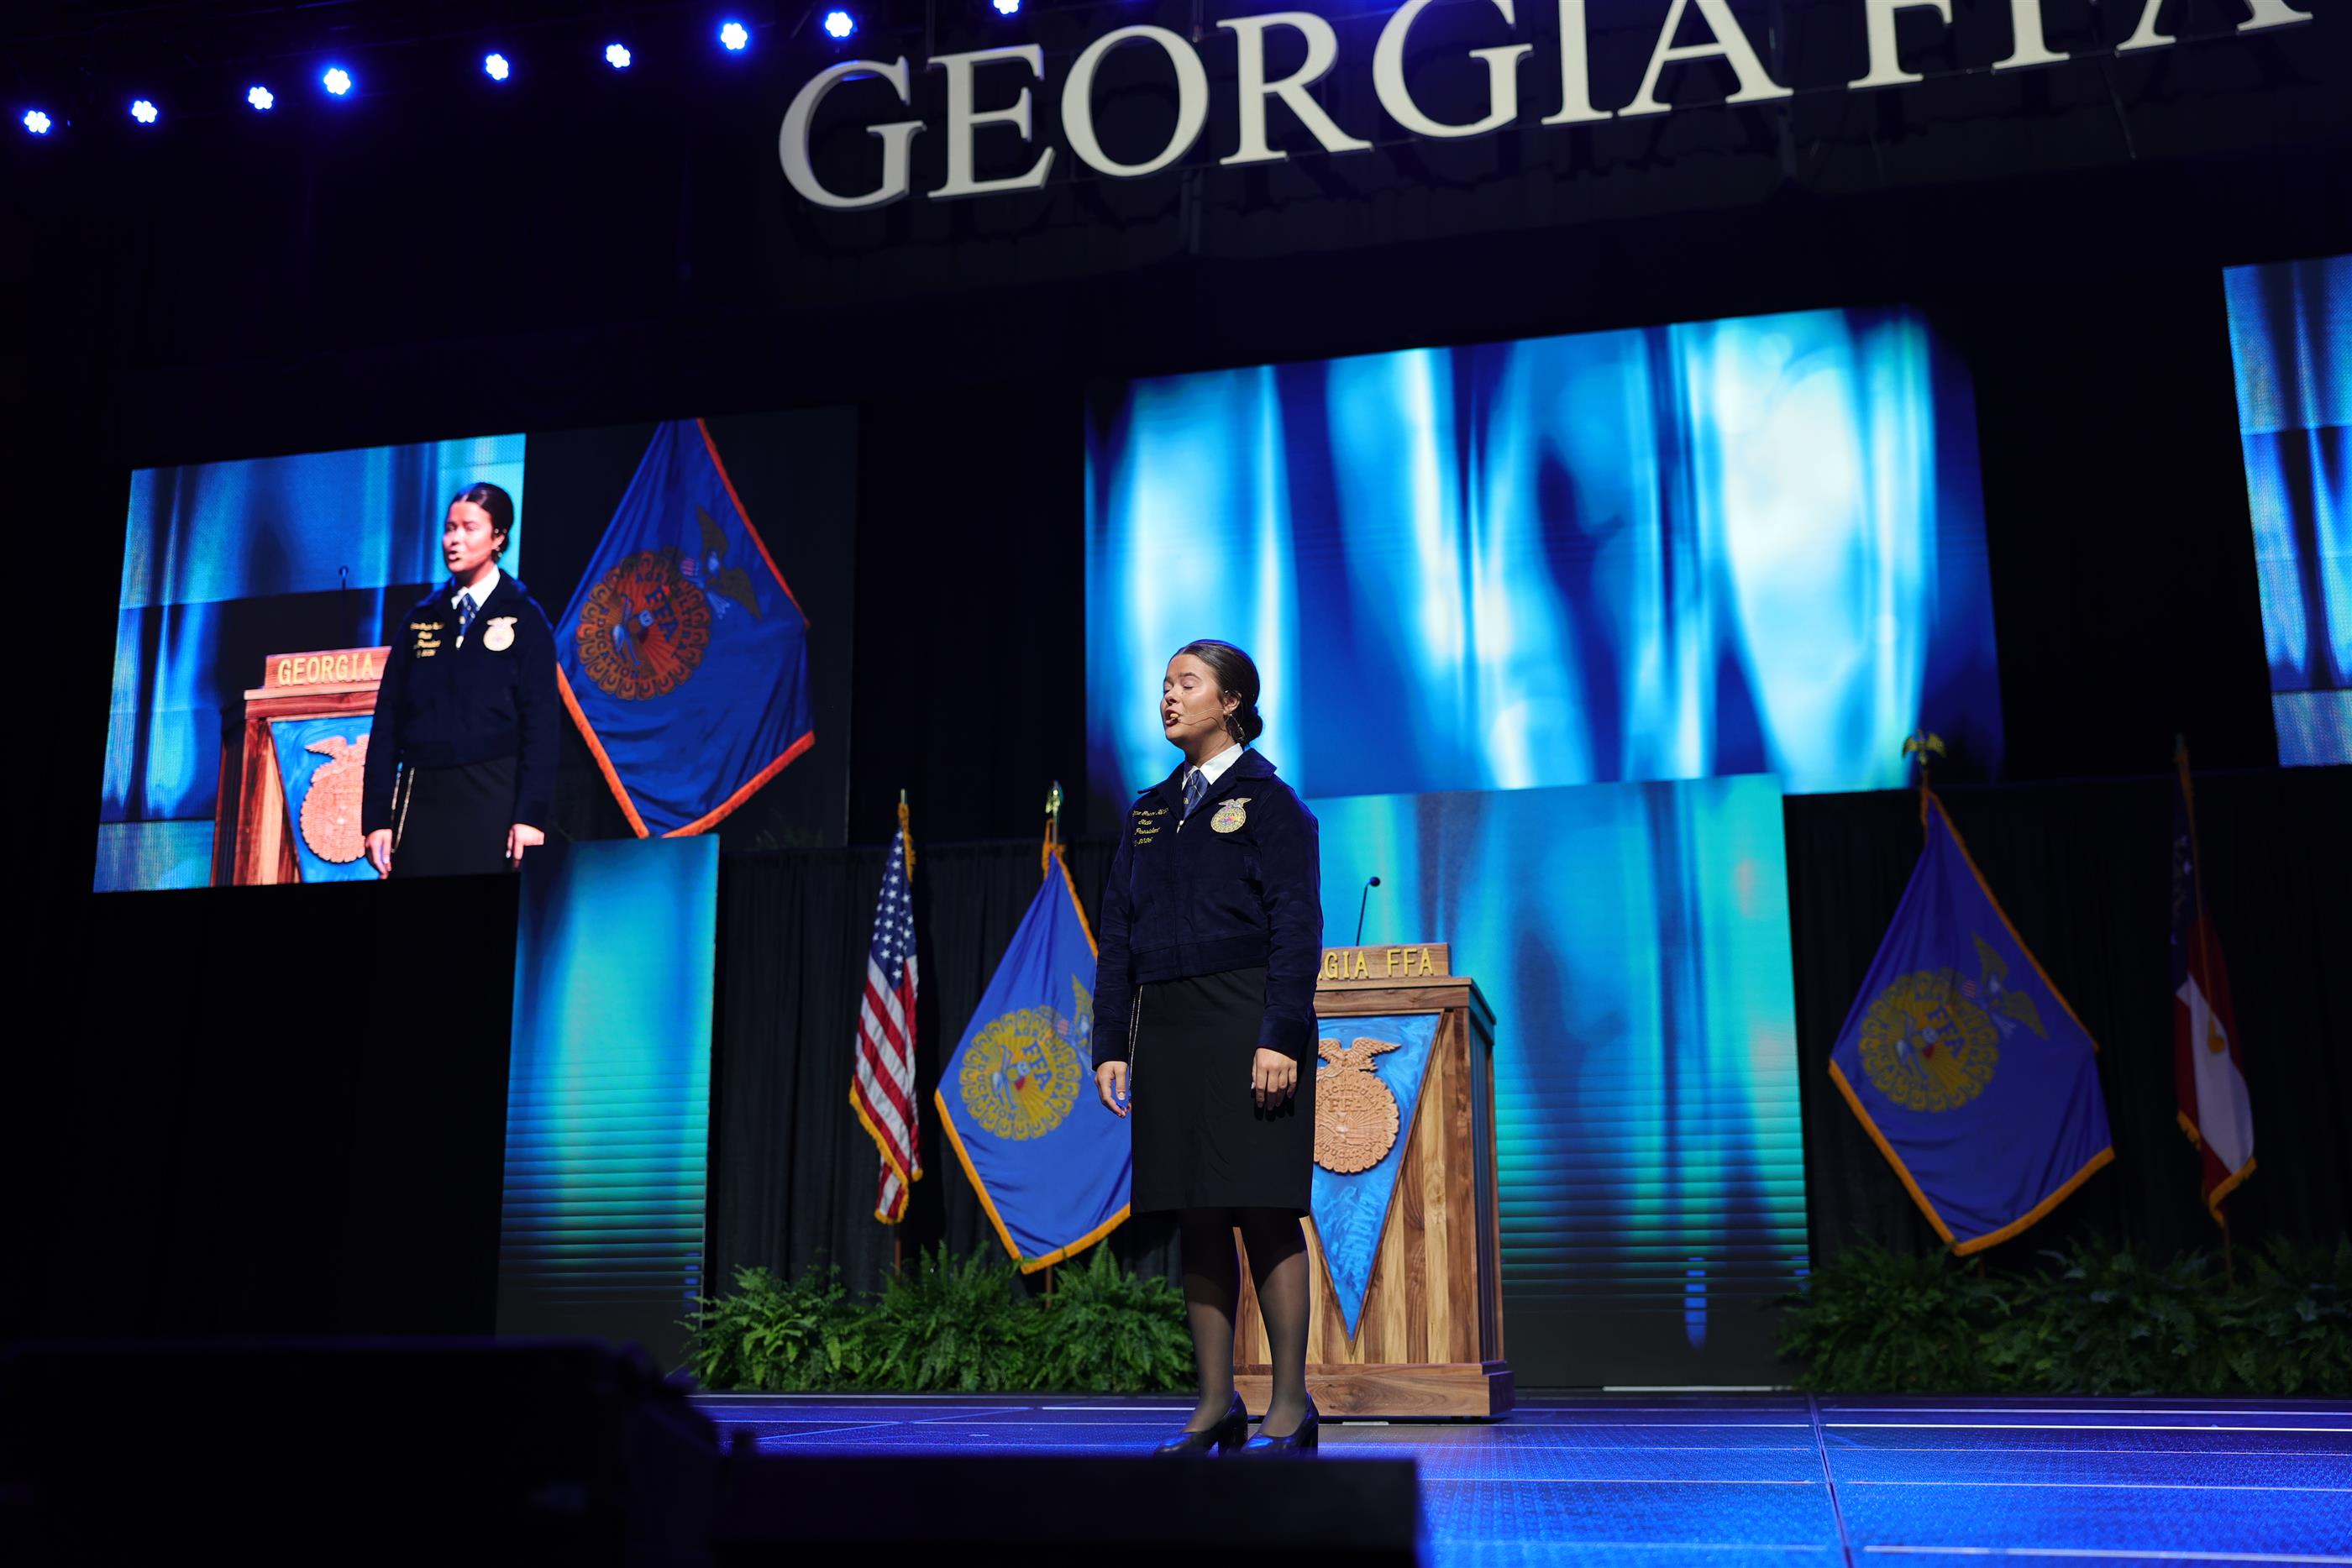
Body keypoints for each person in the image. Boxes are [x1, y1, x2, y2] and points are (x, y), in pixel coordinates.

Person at [1094, 640, 1324, 1455]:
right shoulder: (1149, 812)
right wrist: (1111, 1043)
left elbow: (1297, 926)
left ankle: (1289, 1405)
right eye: (1164, 685)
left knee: (1263, 1206)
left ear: (1231, 702)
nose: (1168, 697)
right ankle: (1215, 1403)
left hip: (1246, 1016)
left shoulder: (1272, 803)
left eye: (1186, 684)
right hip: (1169, 1027)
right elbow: (1117, 936)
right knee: (1196, 1212)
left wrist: (1280, 1035)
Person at [361, 482, 559, 879]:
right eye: (450, 528)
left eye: (470, 528)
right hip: (423, 795)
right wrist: (377, 818)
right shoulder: (420, 618)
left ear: (498, 537)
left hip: (493, 795)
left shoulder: (524, 616)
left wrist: (530, 816)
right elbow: (387, 724)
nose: (454, 540)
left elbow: (542, 726)